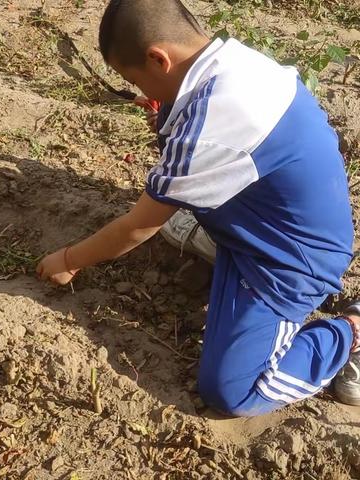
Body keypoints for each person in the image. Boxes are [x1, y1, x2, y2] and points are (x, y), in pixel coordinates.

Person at [37, 0, 360, 415]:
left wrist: (69, 259)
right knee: (171, 120)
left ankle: (348, 334)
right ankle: (214, 234)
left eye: (133, 79)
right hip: (271, 219)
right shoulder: (231, 63)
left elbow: (137, 228)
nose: (139, 90)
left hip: (291, 260)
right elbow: (202, 128)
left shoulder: (214, 125)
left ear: (158, 59)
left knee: (234, 391)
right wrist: (165, 109)